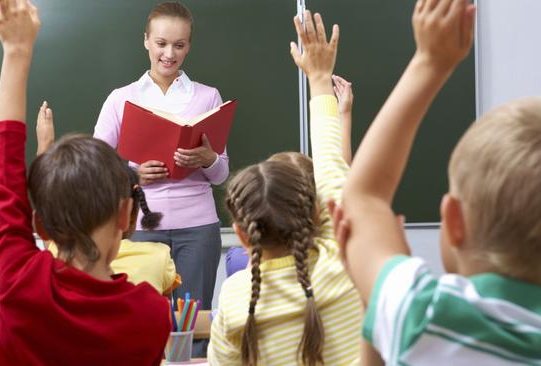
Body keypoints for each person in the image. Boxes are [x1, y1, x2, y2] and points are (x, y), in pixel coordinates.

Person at [332, 0, 541, 363]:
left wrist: (431, 61)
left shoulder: (426, 317)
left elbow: (362, 197)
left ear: (454, 221)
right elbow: (365, 198)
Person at [0, 1, 170, 364]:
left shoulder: (20, 282)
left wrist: (16, 52)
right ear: (125, 215)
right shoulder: (151, 314)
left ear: (40, 225)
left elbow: (4, 173)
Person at [208, 11, 361, 366]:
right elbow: (332, 171)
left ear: (242, 236)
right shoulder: (343, 264)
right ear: (316, 211)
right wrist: (320, 79)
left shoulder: (235, 299)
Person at [94, 1, 226, 310]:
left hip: (199, 228)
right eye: (161, 43)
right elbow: (96, 169)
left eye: (179, 45)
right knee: (141, 322)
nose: (169, 53)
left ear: (188, 46)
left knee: (193, 324)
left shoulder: (209, 97)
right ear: (146, 41)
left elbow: (222, 175)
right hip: (140, 227)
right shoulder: (120, 99)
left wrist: (208, 159)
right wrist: (133, 177)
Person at [37, 102, 180, 295]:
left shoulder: (57, 254)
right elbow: (166, 313)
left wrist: (45, 143)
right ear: (127, 213)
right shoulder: (157, 258)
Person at [224, 75, 353, 278]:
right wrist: (343, 114)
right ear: (315, 203)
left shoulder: (239, 265)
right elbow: (340, 173)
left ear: (242, 233)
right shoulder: (336, 258)